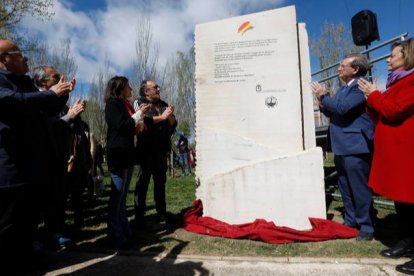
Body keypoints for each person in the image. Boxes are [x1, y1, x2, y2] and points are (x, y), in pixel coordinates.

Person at [0, 40, 74, 268]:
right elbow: (14, 102)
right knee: (7, 223)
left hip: (31, 167)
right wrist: (51, 94)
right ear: (4, 59)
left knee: (27, 219)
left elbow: (46, 109)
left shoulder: (24, 82)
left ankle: (26, 259)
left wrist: (61, 94)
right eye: (20, 54)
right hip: (10, 167)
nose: (26, 59)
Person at [358, 38, 414, 274]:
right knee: (403, 204)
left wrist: (375, 95)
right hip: (395, 153)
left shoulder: (411, 82)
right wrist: (372, 99)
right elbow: (381, 114)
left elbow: (394, 110)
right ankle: (408, 241)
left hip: (407, 153)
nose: (388, 60)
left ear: (408, 57)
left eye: (393, 55)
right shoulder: (395, 82)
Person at [310, 53, 375, 241]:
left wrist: (324, 96)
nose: (338, 68)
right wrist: (323, 101)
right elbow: (334, 109)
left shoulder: (361, 86)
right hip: (342, 145)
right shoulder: (344, 88)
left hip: (356, 145)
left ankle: (367, 226)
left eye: (342, 65)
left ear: (354, 69)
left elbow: (343, 108)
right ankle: (351, 221)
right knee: (345, 186)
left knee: (359, 188)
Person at [32, 65, 85, 249]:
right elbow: (46, 126)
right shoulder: (34, 100)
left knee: (58, 199)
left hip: (59, 157)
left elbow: (66, 126)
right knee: (39, 202)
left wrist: (68, 102)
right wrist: (69, 116)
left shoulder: (56, 102)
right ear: (42, 82)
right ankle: (36, 239)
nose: (59, 79)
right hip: (40, 160)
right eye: (55, 77)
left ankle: (55, 233)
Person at [104, 76, 149, 248]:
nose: (131, 88)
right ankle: (115, 235)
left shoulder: (126, 105)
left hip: (128, 155)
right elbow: (123, 125)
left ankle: (124, 232)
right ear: (120, 88)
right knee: (117, 197)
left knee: (122, 197)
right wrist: (139, 114)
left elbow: (134, 127)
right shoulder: (112, 105)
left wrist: (140, 115)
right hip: (118, 156)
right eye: (128, 86)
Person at [134, 80, 177, 227]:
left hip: (161, 151)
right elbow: (143, 120)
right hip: (146, 151)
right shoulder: (139, 103)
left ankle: (161, 214)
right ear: (146, 91)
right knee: (143, 184)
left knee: (160, 184)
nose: (158, 89)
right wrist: (163, 117)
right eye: (155, 87)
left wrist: (169, 115)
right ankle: (139, 217)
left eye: (158, 87)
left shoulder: (163, 104)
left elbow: (173, 123)